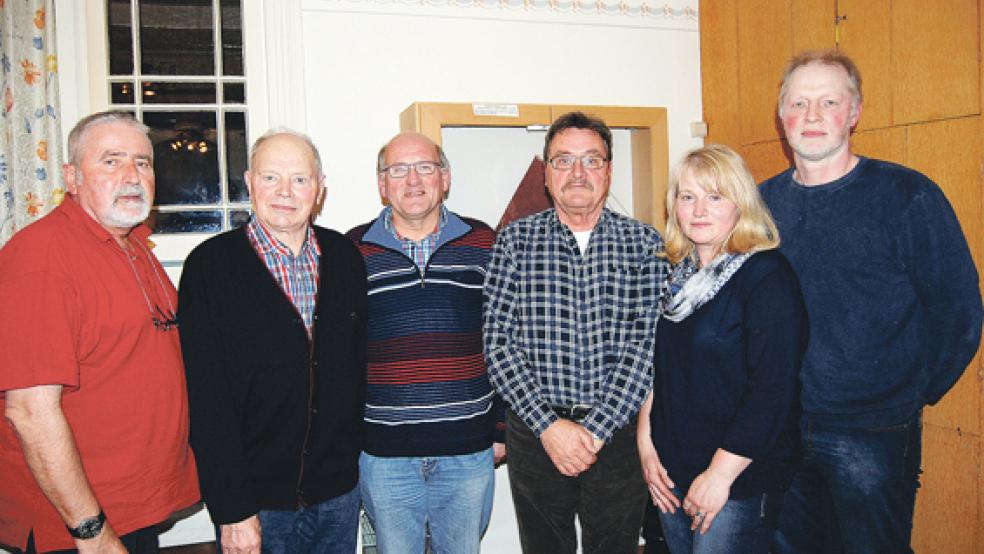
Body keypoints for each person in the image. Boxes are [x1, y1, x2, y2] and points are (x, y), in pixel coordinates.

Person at [761, 49, 983, 553]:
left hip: (873, 431)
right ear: (781, 115)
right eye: (798, 103)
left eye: (828, 102)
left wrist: (908, 394)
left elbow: (960, 312)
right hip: (781, 428)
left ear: (855, 112)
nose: (812, 116)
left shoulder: (907, 196)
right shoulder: (759, 205)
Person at [0, 111, 200, 553]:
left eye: (143, 163)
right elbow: (31, 413)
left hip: (132, 508)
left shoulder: (134, 246)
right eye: (111, 161)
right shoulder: (41, 259)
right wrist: (91, 532)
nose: (132, 175)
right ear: (71, 177)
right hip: (77, 527)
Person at [484, 111, 669, 553]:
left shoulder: (646, 244)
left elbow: (646, 346)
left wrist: (596, 430)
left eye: (591, 160)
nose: (578, 173)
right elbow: (497, 345)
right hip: (535, 432)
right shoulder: (514, 242)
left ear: (608, 170)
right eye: (563, 160)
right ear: (547, 174)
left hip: (618, 435)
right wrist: (550, 427)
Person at [178, 129, 367, 554]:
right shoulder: (209, 267)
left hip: (337, 495)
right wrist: (232, 509)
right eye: (270, 178)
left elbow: (356, 373)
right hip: (255, 504)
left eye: (300, 179)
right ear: (249, 183)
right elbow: (206, 401)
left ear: (319, 189)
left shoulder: (345, 258)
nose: (285, 192)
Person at [636, 144, 807, 554]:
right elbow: (661, 370)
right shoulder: (680, 279)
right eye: (687, 196)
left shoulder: (766, 276)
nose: (699, 210)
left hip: (737, 477)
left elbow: (772, 391)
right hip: (672, 470)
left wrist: (719, 475)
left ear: (740, 204)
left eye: (715, 196)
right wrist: (645, 444)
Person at [346, 132, 506, 553]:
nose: (412, 180)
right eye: (397, 169)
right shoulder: (352, 249)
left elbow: (506, 339)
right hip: (385, 455)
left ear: (445, 177)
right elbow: (342, 352)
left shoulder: (484, 242)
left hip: (467, 449)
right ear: (382, 184)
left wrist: (501, 428)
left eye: (425, 167)